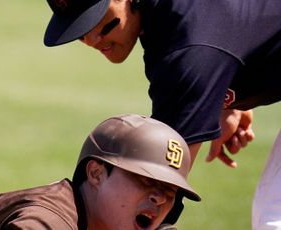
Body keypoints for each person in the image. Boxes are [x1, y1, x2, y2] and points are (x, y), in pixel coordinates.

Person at [43, 0, 281, 228]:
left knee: (274, 219)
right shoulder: (165, 20)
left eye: (99, 23)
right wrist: (223, 99)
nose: (93, 39)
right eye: (80, 30)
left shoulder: (189, 51)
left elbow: (160, 183)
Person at [0, 114, 200, 229]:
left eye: (170, 189)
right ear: (96, 173)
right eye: (145, 180)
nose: (160, 197)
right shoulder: (46, 224)